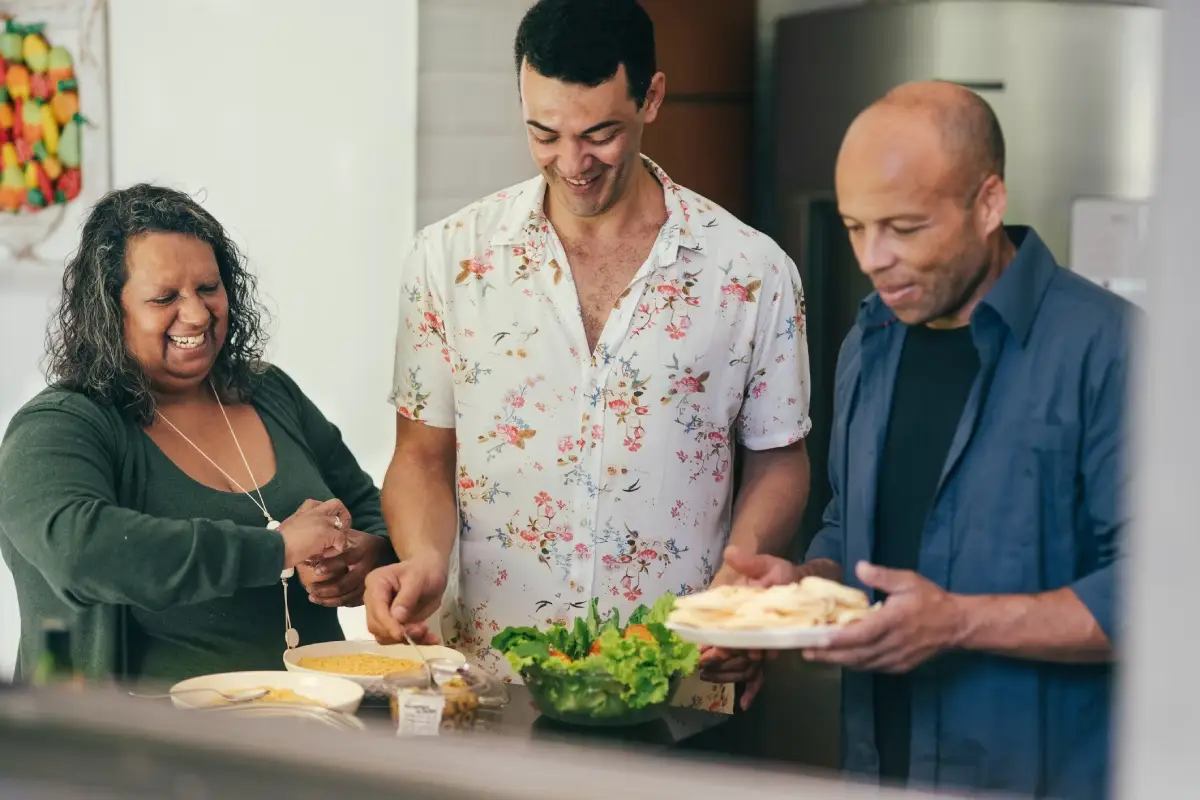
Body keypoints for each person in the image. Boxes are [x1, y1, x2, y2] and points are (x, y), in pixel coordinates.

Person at [364, 0, 812, 712]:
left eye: (600, 134)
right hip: (487, 685)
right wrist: (421, 556)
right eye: (544, 133)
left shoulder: (752, 270)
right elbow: (421, 455)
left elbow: (779, 457)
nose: (571, 163)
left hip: (680, 679)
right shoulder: (446, 260)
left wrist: (739, 569)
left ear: (652, 98)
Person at [724, 81, 1130, 798]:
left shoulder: (1112, 349)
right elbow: (853, 528)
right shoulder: (868, 342)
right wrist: (803, 591)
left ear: (988, 204)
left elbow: (1161, 596)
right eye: (855, 226)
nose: (873, 259)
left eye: (904, 228)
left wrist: (959, 622)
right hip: (880, 770)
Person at [0, 184, 399, 683]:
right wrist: (278, 549)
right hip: (147, 749)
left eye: (209, 288)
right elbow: (82, 551)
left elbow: (371, 507)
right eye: (164, 297)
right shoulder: (59, 426)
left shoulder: (268, 391)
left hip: (313, 728)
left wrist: (369, 556)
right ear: (109, 310)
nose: (196, 313)